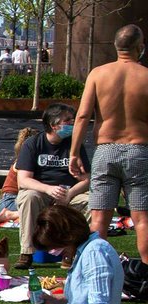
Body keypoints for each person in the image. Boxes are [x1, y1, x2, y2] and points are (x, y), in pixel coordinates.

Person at [69, 24, 148, 262]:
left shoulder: (98, 74)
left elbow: (82, 116)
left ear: (116, 46)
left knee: (99, 219)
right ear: (140, 47)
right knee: (142, 219)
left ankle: (96, 270)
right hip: (139, 150)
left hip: (105, 150)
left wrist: (74, 152)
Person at [14, 103, 90, 268]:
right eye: (68, 120)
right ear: (54, 125)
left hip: (70, 193)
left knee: (93, 203)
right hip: (42, 191)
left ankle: (71, 252)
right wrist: (49, 189)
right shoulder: (32, 144)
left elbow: (87, 179)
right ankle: (27, 252)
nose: (72, 123)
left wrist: (69, 194)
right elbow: (23, 180)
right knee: (29, 196)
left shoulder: (75, 145)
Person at [0, 126, 39, 224]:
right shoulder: (22, 164)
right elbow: (22, 189)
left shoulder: (26, 160)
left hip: (12, 200)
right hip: (10, 202)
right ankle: (11, 214)